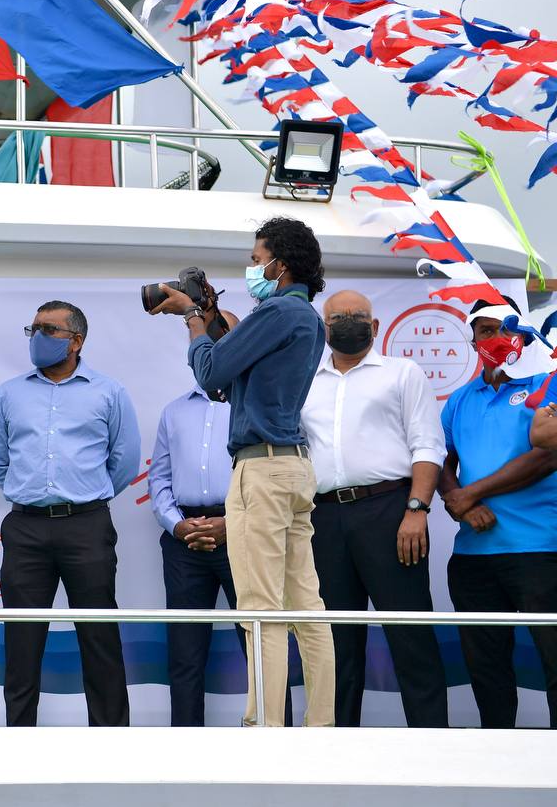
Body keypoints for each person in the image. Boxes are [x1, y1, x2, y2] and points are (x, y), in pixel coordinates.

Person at [150, 216, 335, 727]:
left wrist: (193, 320)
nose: (252, 268)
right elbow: (229, 387)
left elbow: (210, 372)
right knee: (307, 607)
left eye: (256, 260)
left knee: (260, 605)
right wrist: (210, 320)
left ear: (281, 264)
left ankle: (267, 726)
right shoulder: (306, 318)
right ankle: (320, 725)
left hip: (264, 469)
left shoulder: (275, 311)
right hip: (293, 469)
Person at [0, 300, 140, 727]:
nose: (37, 337)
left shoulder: (109, 392)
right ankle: (19, 739)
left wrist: (84, 494)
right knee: (21, 641)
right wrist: (32, 492)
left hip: (86, 526)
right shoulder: (9, 393)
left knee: (99, 638)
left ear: (76, 341)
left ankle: (111, 741)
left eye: (48, 330)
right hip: (26, 528)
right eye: (33, 328)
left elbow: (123, 462)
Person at [301, 290, 448, 728]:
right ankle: (339, 747)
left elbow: (428, 444)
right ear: (323, 328)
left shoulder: (402, 373)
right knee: (335, 644)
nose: (347, 322)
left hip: (390, 512)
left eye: (357, 316)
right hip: (323, 518)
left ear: (375, 326)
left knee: (410, 636)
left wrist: (417, 509)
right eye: (337, 317)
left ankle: (433, 744)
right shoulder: (305, 377)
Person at [149, 311, 294, 727]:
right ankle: (187, 748)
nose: (215, 342)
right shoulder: (174, 412)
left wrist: (232, 525)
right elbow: (159, 475)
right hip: (184, 541)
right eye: (208, 335)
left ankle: (273, 738)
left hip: (245, 536)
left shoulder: (264, 410)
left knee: (261, 646)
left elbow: (275, 478)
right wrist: (177, 524)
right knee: (185, 652)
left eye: (224, 334)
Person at [438, 297, 557, 728]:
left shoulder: (548, 384)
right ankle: (498, 761)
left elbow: (547, 457)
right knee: (487, 671)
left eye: (505, 329)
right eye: (485, 331)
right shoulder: (459, 399)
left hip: (540, 550)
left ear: (524, 334)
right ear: (473, 341)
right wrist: (460, 502)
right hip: (473, 557)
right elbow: (437, 458)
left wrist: (472, 494)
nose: (496, 339)